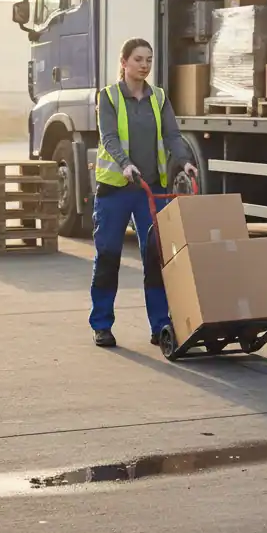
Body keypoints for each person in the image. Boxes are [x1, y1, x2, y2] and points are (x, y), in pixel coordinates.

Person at [90, 37, 198, 348]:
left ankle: (160, 325)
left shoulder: (159, 97)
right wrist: (124, 164)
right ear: (123, 62)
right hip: (115, 190)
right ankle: (101, 324)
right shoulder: (109, 97)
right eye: (138, 59)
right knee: (108, 256)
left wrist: (186, 161)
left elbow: (172, 135)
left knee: (155, 259)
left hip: (150, 189)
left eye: (148, 59)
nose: (145, 65)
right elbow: (108, 137)